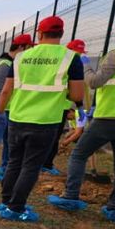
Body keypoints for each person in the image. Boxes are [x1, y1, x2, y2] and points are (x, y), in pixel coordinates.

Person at [0, 16, 84, 221]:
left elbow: (6, 90)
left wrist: (0, 113)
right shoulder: (70, 58)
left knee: (14, 162)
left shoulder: (21, 57)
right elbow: (77, 95)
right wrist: (64, 93)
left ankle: (6, 201)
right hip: (46, 121)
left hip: (17, 117)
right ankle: (16, 208)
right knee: (31, 165)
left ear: (39, 34)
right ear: (61, 34)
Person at [48, 26, 115, 222]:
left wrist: (86, 66)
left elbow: (95, 82)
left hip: (109, 117)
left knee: (79, 153)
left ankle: (71, 196)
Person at [0, 34, 33, 181]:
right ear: (21, 47)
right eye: (29, 48)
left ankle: (4, 167)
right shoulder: (4, 66)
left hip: (6, 110)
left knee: (8, 142)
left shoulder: (12, 64)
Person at [40, 39, 88, 175]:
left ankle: (45, 163)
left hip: (61, 105)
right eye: (78, 53)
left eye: (81, 53)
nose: (79, 56)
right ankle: (46, 164)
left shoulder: (72, 62)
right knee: (51, 137)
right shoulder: (66, 63)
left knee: (52, 137)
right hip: (57, 105)